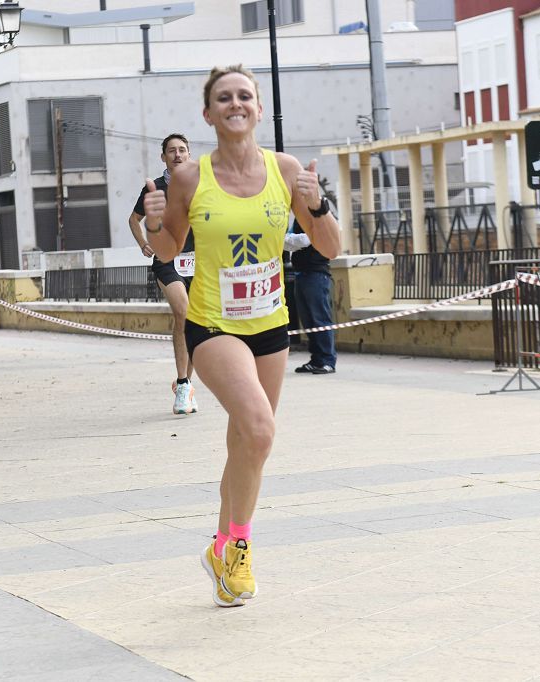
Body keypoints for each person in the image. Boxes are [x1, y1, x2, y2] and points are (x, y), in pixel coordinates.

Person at [143, 65, 341, 607]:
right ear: (209, 113)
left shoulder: (286, 169)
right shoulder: (189, 177)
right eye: (223, 97)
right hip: (213, 325)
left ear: (257, 108)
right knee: (259, 429)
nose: (236, 103)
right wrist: (155, 223)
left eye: (245, 96)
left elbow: (330, 245)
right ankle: (238, 547)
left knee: (246, 444)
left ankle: (219, 549)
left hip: (270, 324)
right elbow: (166, 252)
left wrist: (317, 201)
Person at [129, 133, 198, 415]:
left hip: (200, 260)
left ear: (189, 154)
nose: (178, 154)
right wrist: (144, 243)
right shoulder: (154, 188)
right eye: (172, 151)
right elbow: (134, 220)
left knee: (194, 321)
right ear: (163, 157)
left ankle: (186, 384)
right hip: (168, 260)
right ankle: (183, 385)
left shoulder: (200, 184)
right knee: (182, 311)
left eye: (183, 149)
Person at [290, 217, 337, 374]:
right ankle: (316, 360)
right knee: (308, 320)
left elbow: (306, 240)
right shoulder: (298, 217)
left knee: (320, 318)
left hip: (316, 273)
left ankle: (328, 360)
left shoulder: (318, 215)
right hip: (301, 273)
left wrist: (285, 239)